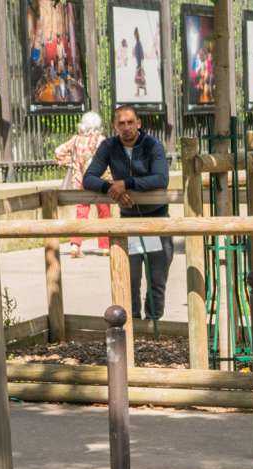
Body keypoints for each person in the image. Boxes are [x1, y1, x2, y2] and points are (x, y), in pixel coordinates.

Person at [83, 105, 172, 321]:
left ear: (139, 124)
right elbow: (89, 178)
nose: (126, 127)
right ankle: (132, 326)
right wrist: (112, 189)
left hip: (156, 220)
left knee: (157, 280)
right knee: (130, 279)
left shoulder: (152, 145)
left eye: (130, 122)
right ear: (115, 126)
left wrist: (127, 183)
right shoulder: (109, 146)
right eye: (121, 123)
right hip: (128, 221)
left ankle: (153, 325)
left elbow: (161, 179)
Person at [55, 111, 111, 257]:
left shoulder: (75, 140)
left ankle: (75, 245)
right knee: (104, 212)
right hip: (99, 181)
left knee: (81, 213)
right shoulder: (100, 140)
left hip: (81, 182)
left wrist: (72, 163)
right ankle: (105, 247)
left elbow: (58, 151)